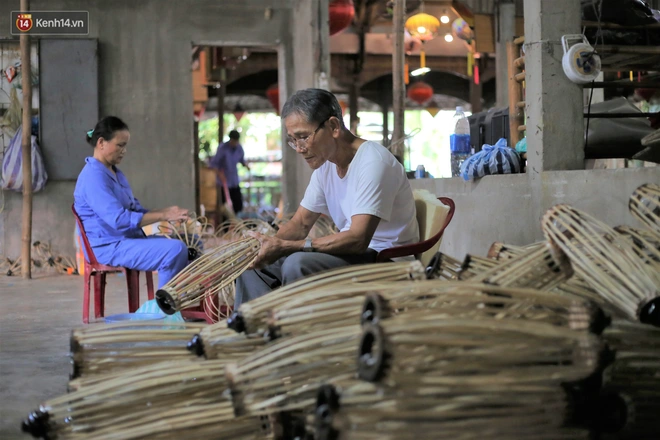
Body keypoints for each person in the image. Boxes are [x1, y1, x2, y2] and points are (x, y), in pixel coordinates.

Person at [234, 88, 419, 308]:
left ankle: (300, 337)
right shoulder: (326, 167)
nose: (300, 149)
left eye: (303, 137)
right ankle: (260, 334)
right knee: (253, 266)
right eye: (293, 140)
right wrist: (269, 245)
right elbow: (300, 223)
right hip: (356, 256)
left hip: (386, 262)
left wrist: (287, 247)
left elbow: (358, 239)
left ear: (333, 126)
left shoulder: (373, 161)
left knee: (297, 263)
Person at [73, 116, 190, 289]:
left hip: (126, 240)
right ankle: (164, 306)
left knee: (193, 242)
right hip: (109, 246)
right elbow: (119, 220)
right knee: (175, 250)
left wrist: (168, 213)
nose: (124, 151)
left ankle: (186, 301)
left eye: (125, 146)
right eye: (120, 145)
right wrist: (164, 215)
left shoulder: (115, 173)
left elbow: (135, 210)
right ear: (101, 143)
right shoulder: (93, 177)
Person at [210, 129, 250, 218]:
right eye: (233, 141)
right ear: (230, 139)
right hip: (224, 183)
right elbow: (214, 164)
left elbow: (241, 160)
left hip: (234, 181)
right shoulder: (222, 148)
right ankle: (225, 228)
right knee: (225, 207)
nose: (235, 143)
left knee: (238, 205)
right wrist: (220, 174)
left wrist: (246, 165)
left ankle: (236, 223)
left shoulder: (239, 148)